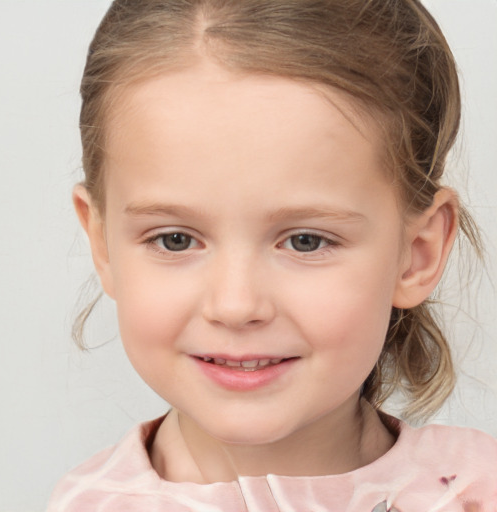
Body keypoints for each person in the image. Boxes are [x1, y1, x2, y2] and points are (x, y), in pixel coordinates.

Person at [46, 0, 497, 510]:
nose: (236, 306)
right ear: (102, 245)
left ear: (417, 254)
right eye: (175, 239)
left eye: (306, 240)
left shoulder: (475, 493)